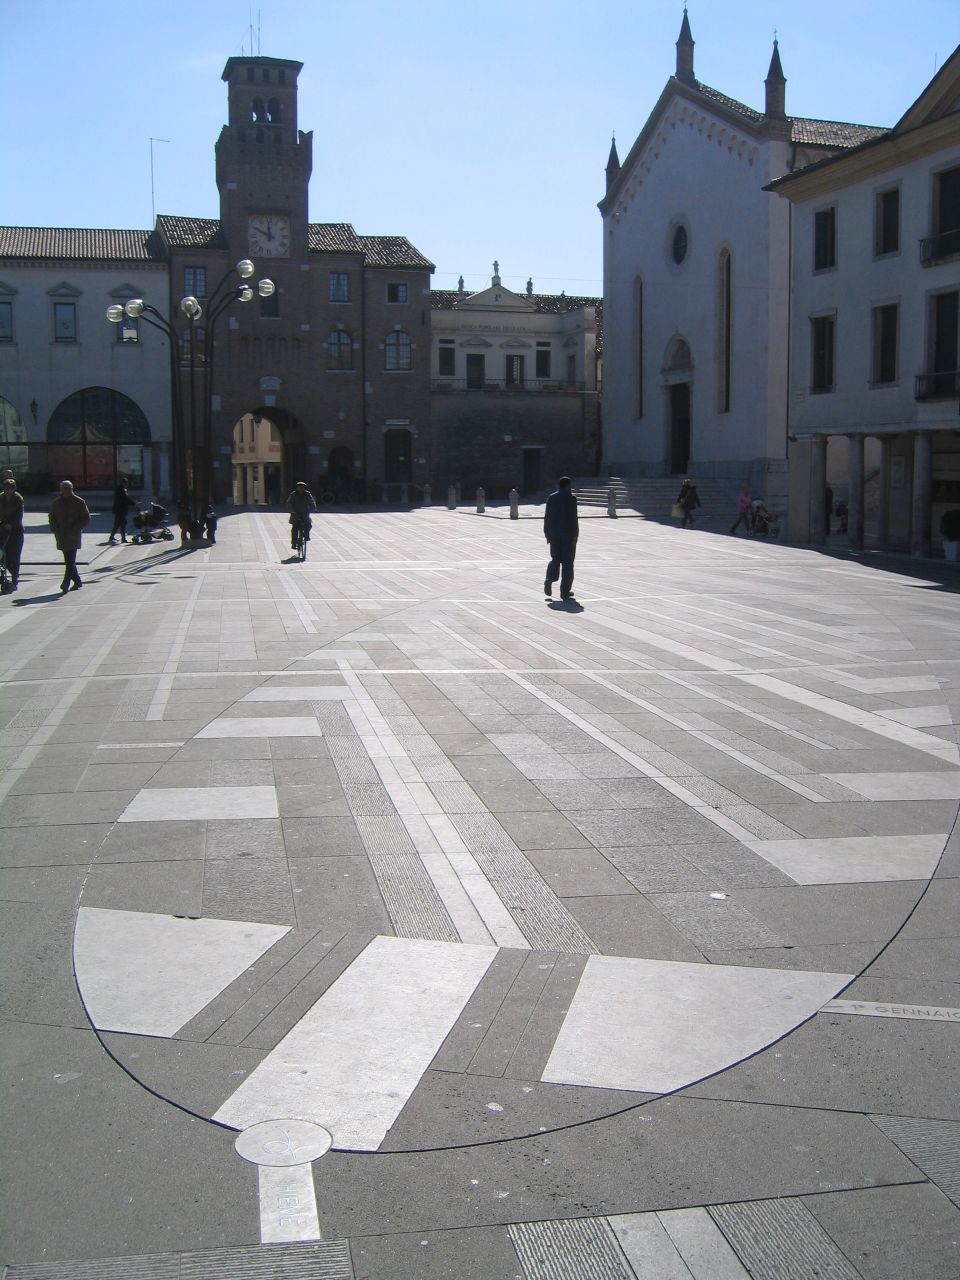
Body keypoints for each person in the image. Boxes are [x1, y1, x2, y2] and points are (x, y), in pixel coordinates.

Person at [48, 479, 91, 592]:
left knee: (70, 560)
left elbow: (86, 518)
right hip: (61, 536)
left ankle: (65, 583)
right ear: (61, 490)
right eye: (64, 489)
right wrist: (54, 528)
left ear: (72, 489)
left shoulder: (79, 502)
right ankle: (77, 581)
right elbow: (51, 517)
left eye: (69, 488)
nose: (67, 491)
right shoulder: (56, 503)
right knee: (69, 561)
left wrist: (76, 527)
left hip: (73, 536)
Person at [543, 475, 579, 600]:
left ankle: (549, 579)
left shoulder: (551, 497)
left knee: (555, 559)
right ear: (568, 485)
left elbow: (547, 518)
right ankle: (564, 592)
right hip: (568, 536)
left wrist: (547, 534)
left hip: (554, 535)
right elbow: (573, 520)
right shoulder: (571, 499)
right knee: (568, 564)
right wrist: (575, 535)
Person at [0, 475, 25, 592]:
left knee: (13, 557)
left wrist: (11, 524)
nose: (7, 490)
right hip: (3, 529)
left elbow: (19, 515)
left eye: (10, 488)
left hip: (16, 531)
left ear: (14, 488)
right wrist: (3, 523)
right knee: (3, 556)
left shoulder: (18, 499)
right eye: (5, 488)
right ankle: (5, 578)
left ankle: (15, 579)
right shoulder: (1, 498)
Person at [286, 480, 317, 549]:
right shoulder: (293, 494)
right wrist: (291, 510)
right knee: (294, 529)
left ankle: (306, 536)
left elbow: (312, 502)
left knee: (308, 525)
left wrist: (313, 509)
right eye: (299, 487)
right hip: (295, 513)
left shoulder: (307, 494)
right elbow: (289, 503)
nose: (301, 489)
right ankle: (294, 543)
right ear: (297, 488)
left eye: (302, 487)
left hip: (304, 513)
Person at [108, 477, 136, 543]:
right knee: (123, 524)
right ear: (123, 483)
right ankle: (123, 539)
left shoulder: (120, 489)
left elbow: (125, 498)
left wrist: (133, 503)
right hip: (120, 510)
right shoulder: (121, 490)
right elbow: (125, 499)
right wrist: (134, 503)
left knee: (117, 524)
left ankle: (112, 537)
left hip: (119, 510)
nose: (127, 485)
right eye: (126, 484)